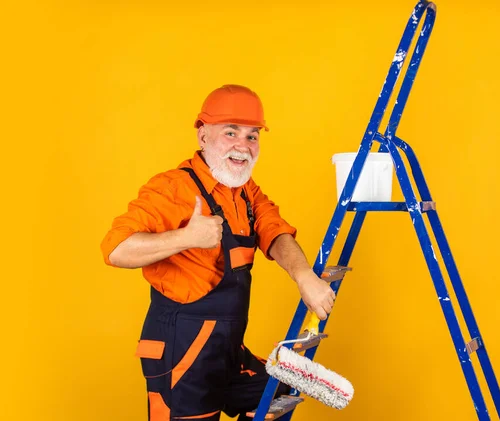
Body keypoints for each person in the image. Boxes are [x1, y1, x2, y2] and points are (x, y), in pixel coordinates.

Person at [100, 84, 335, 421]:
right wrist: (185, 237)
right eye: (230, 132)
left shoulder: (245, 191)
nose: (243, 146)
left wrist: (303, 276)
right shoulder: (173, 188)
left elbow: (276, 231)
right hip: (181, 356)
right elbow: (116, 249)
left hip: (226, 352)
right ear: (203, 137)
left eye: (252, 136)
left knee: (279, 389)